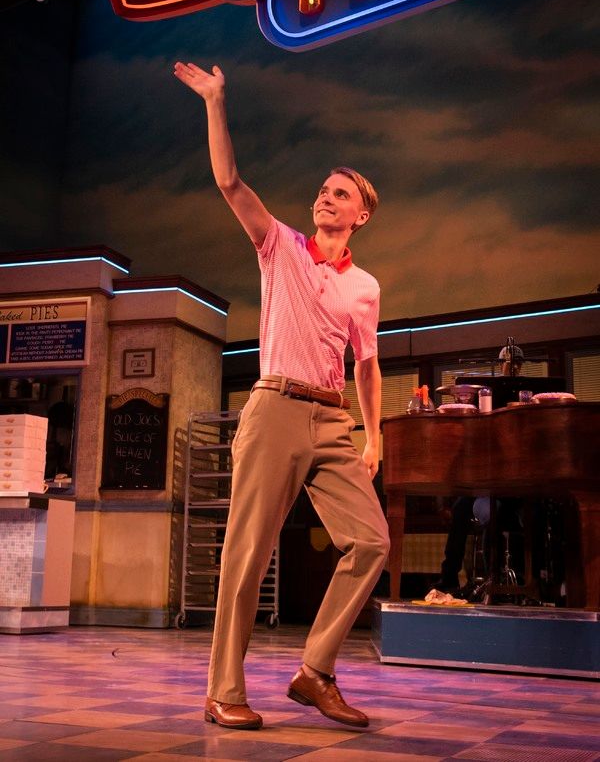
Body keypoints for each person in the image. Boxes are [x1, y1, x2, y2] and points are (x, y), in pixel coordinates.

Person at [173, 61, 390, 731]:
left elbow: (367, 365)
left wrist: (374, 434)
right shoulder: (282, 247)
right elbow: (229, 182)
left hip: (332, 421)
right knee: (247, 554)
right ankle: (223, 691)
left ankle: (314, 670)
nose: (326, 198)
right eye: (323, 190)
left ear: (361, 214)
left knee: (372, 540)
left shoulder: (365, 287)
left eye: (340, 193)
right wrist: (214, 102)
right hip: (274, 409)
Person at [432, 345, 524, 596]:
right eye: (509, 363)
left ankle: (505, 577)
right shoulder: (487, 397)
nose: (513, 367)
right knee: (462, 508)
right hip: (488, 482)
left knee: (496, 511)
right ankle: (448, 578)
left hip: (516, 486)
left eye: (517, 364)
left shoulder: (523, 398)